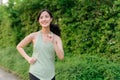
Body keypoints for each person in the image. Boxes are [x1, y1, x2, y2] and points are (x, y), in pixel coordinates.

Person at [16, 9, 64, 80]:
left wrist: (53, 42)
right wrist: (28, 58)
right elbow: (19, 46)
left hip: (50, 75)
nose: (44, 19)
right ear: (39, 21)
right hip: (35, 73)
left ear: (51, 19)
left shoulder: (56, 38)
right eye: (41, 17)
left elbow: (61, 57)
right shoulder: (34, 36)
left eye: (46, 16)